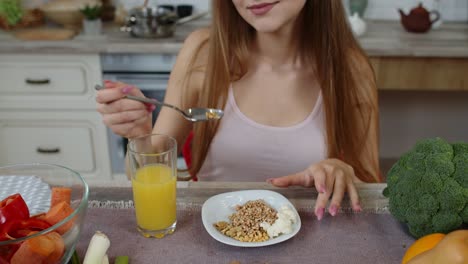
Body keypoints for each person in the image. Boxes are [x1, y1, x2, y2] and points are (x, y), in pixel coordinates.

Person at [96, 0, 381, 220]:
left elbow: (373, 192)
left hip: (309, 239)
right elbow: (143, 173)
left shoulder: (351, 69)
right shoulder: (202, 52)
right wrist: (139, 134)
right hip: (209, 235)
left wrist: (342, 172)